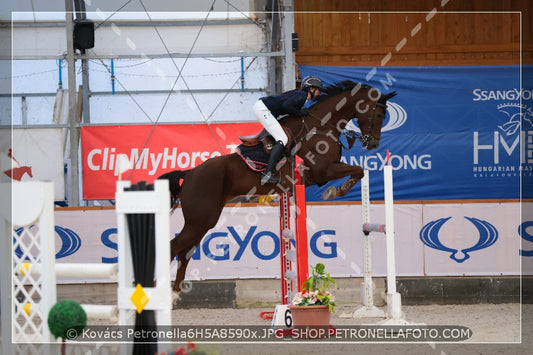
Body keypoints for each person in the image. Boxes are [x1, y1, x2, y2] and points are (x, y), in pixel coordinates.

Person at [253, 75, 323, 184]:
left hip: (265, 108)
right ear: (312, 89)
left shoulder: (301, 96)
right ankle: (267, 174)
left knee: (282, 137)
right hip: (264, 109)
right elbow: (287, 106)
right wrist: (300, 112)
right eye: (319, 90)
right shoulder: (302, 95)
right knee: (282, 139)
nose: (320, 93)